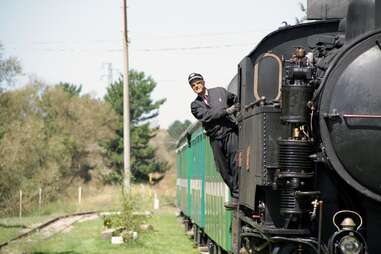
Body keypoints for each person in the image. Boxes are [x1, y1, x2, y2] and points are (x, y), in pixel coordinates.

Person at [188, 72, 240, 209]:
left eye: (198, 83)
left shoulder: (220, 91)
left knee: (235, 162)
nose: (196, 86)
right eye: (193, 85)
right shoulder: (195, 105)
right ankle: (235, 191)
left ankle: (236, 195)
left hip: (230, 132)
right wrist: (227, 111)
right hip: (215, 137)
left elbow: (235, 99)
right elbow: (207, 116)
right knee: (222, 169)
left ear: (203, 82)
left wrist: (237, 109)